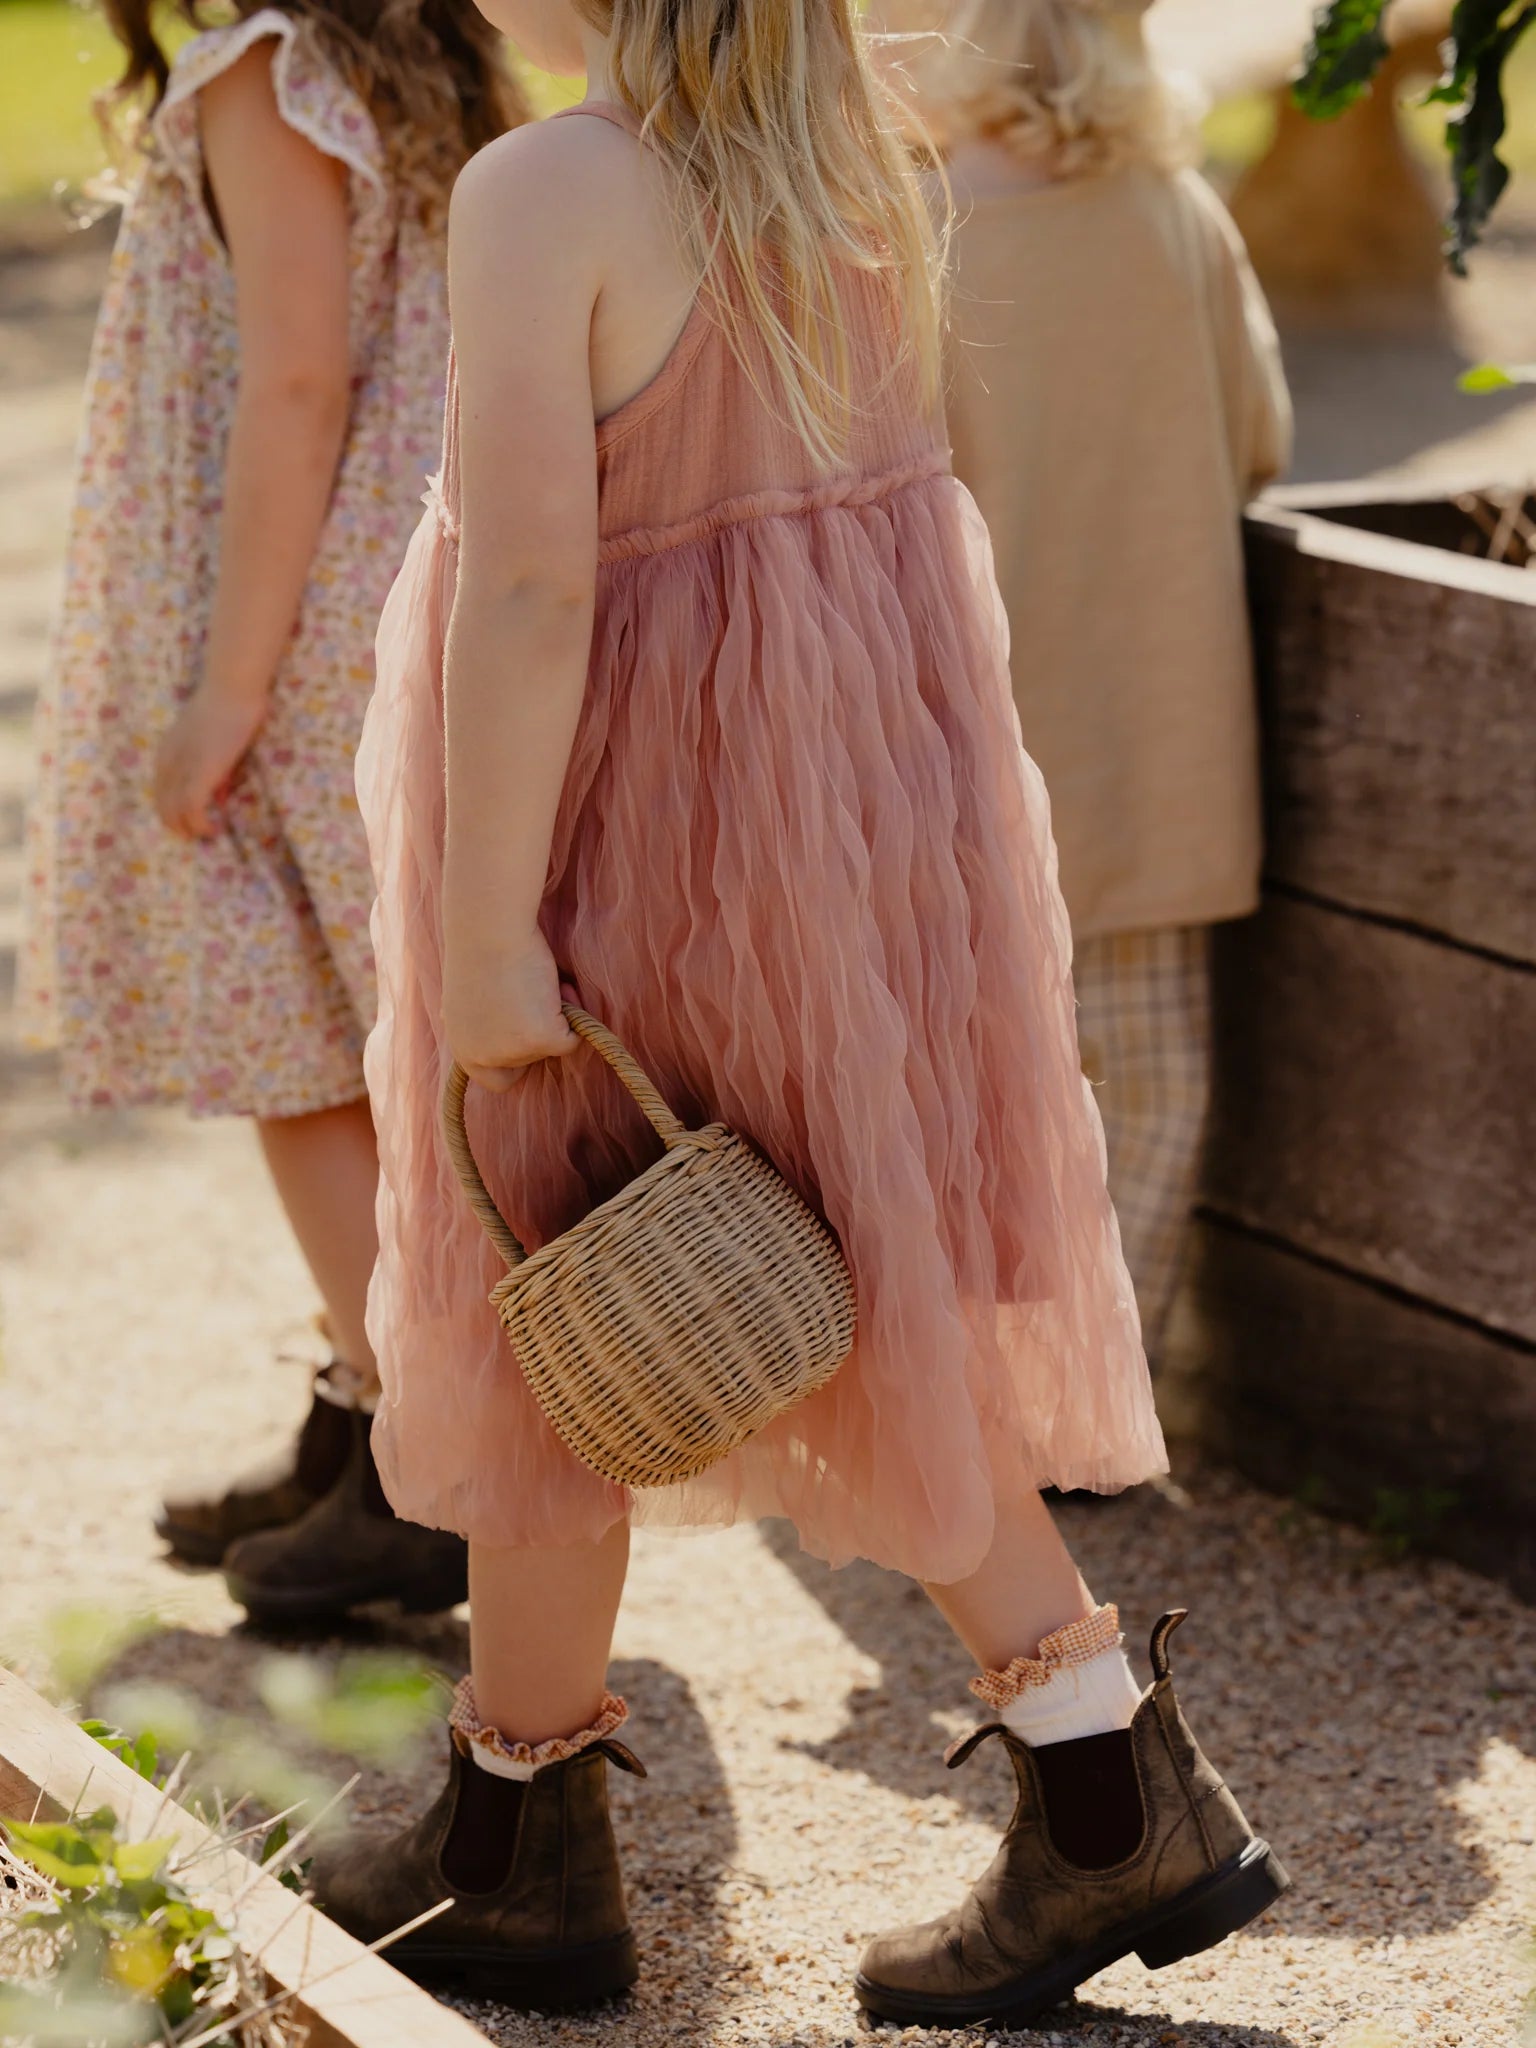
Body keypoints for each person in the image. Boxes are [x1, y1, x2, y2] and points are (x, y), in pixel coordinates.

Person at [311, 0, 1290, 2023]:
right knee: (836, 1295)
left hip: (622, 838)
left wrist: (492, 924)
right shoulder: (847, 166)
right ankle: (1091, 1786)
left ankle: (527, 1840)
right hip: (831, 844)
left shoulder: (552, 186)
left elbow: (530, 588)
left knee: (557, 1293)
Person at [19, 0, 526, 1618]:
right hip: (397, 569)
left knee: (299, 1039)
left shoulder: (261, 74)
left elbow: (299, 378)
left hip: (303, 615)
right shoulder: (422, 51)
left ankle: (412, 1452)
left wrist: (226, 688)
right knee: (362, 1017)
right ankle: (355, 1407)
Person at [912, 0, 1292, 1365]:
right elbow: (1262, 433)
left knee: (959, 1061)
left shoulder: (915, 235)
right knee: (1140, 1073)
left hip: (961, 725)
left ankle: (962, 1376)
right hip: (1158, 717)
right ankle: (1098, 1381)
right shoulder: (1182, 216)